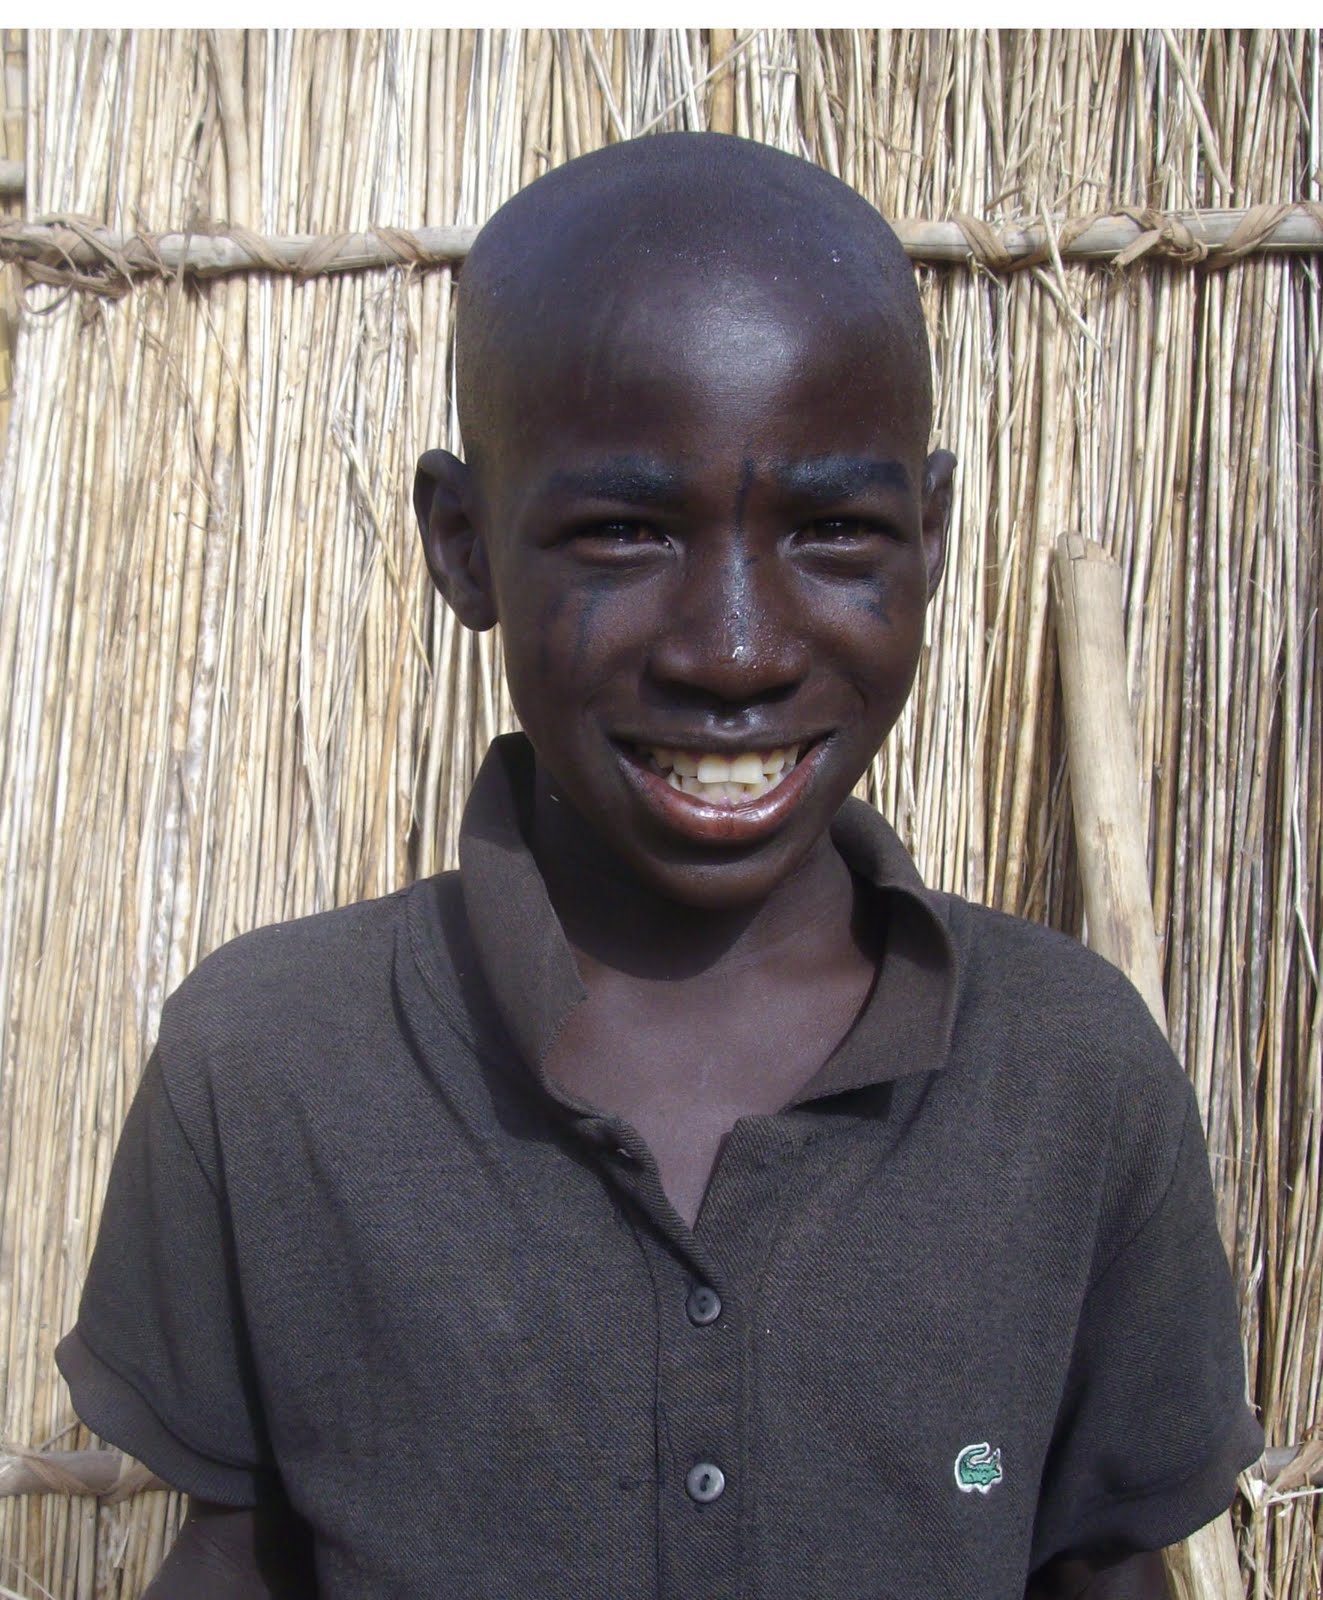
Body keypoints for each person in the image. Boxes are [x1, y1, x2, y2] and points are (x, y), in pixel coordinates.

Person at [57, 133, 1261, 1600]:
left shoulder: (1071, 1078)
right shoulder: (270, 1070)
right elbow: (232, 1562)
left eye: (834, 531)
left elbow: (1107, 1573)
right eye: (625, 533)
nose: (734, 651)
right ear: (463, 545)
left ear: (932, 538)